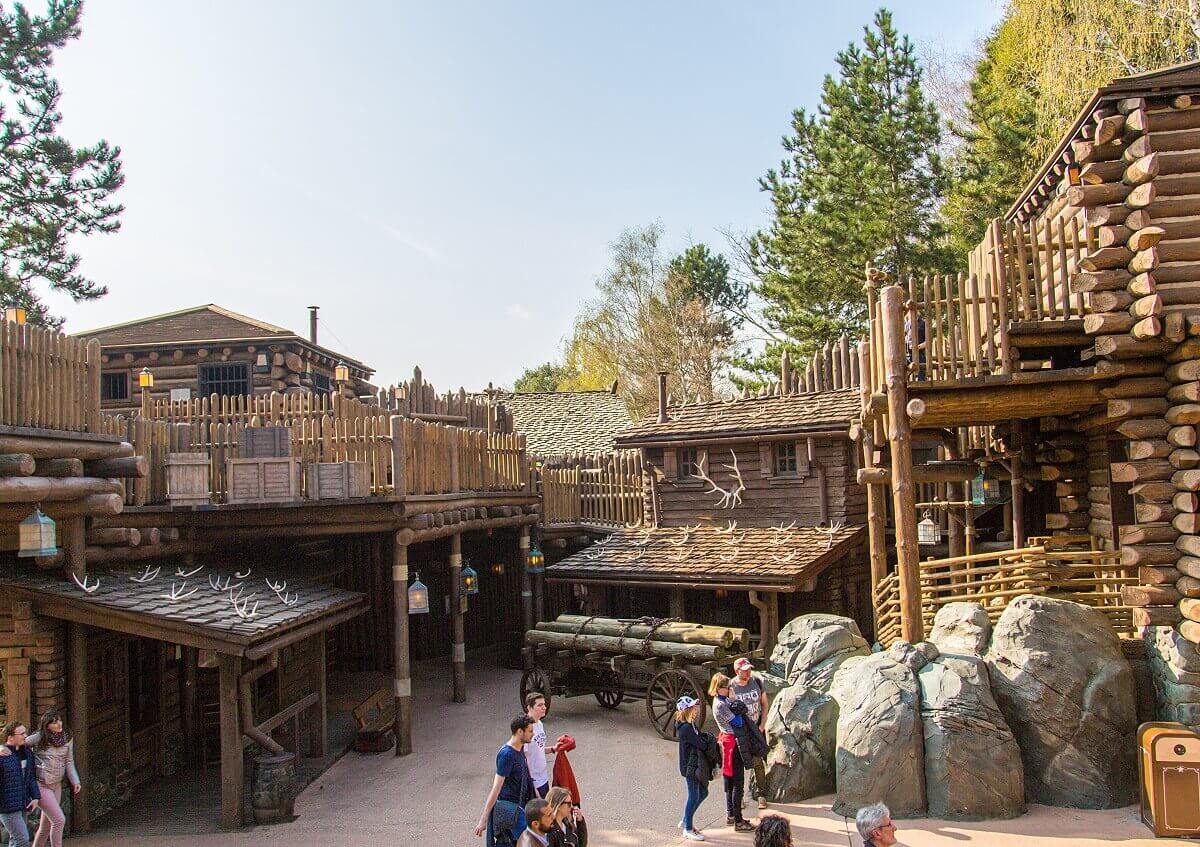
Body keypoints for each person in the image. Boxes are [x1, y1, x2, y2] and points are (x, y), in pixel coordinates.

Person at [475, 715, 537, 846]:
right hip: (511, 811)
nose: (533, 734)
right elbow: (496, 788)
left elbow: (526, 777)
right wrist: (483, 819)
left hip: (520, 808)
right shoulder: (507, 754)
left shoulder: (519, 749)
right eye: (530, 731)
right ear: (520, 731)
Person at [26, 711, 79, 847]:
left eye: (60, 720)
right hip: (41, 784)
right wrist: (4, 749)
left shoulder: (67, 738)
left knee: (46, 825)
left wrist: (75, 780)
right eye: (55, 722)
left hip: (56, 784)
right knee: (59, 820)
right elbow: (20, 743)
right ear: (47, 726)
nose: (59, 724)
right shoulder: (39, 737)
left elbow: (69, 761)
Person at [709, 673, 753, 832]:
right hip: (731, 744)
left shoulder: (721, 701)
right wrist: (735, 701)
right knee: (737, 784)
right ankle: (739, 821)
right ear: (719, 688)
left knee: (729, 782)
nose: (729, 689)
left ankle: (731, 815)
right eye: (726, 687)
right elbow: (738, 722)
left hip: (727, 742)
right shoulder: (721, 705)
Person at [730, 657, 770, 810]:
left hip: (755, 729)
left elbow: (764, 704)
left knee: (758, 763)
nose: (748, 672)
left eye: (749, 669)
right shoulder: (731, 686)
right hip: (740, 732)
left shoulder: (757, 682)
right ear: (737, 671)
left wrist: (762, 724)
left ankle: (761, 795)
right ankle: (738, 797)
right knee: (738, 766)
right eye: (744, 669)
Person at [675, 694, 710, 842]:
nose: (695, 709)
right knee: (694, 795)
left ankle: (686, 819)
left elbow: (700, 738)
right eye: (692, 707)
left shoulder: (691, 724)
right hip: (689, 767)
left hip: (693, 765)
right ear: (686, 710)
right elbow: (701, 744)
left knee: (703, 792)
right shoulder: (686, 728)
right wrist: (708, 742)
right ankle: (688, 828)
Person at [0, 722, 39, 847]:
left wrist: (36, 797)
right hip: (8, 808)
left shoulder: (26, 753)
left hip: (23, 803)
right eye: (22, 733)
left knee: (15, 840)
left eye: (25, 732)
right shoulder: (2, 756)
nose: (25, 736)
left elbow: (31, 777)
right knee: (22, 839)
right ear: (10, 737)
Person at [523, 692, 559, 798]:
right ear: (529, 707)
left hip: (543, 778)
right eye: (539, 705)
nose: (544, 707)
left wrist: (553, 749)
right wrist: (532, 785)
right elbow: (524, 758)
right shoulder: (525, 728)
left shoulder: (539, 724)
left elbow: (538, 748)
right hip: (534, 783)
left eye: (544, 704)